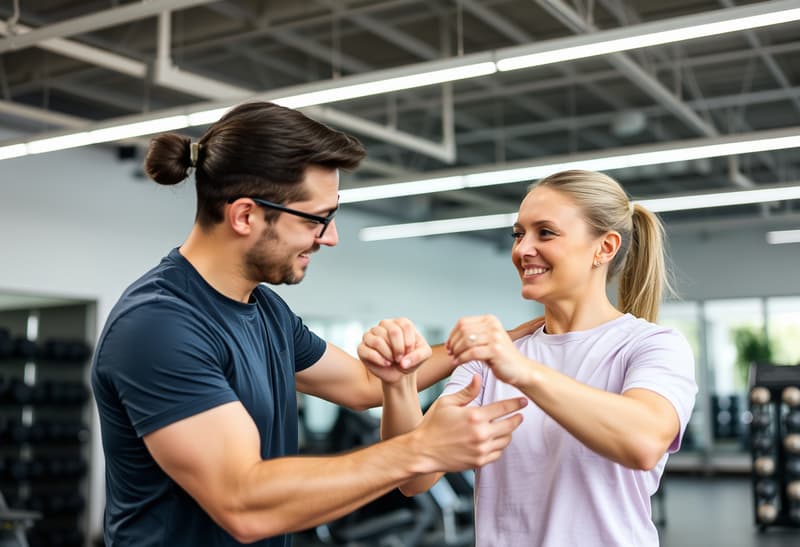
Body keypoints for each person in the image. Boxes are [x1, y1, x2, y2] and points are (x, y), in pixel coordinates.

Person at [90, 101, 532, 547]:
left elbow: (363, 383)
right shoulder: (158, 325)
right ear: (245, 215)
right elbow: (243, 502)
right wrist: (421, 450)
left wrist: (506, 339)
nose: (331, 238)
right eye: (317, 220)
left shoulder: (265, 309)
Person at [358, 169, 698, 546]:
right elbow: (414, 479)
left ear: (605, 247)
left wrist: (521, 371)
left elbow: (644, 441)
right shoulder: (493, 357)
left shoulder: (650, 345)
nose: (522, 250)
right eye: (518, 234)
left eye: (545, 232)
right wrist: (398, 384)